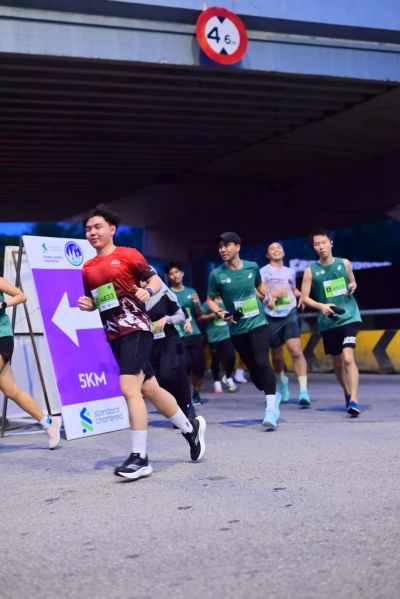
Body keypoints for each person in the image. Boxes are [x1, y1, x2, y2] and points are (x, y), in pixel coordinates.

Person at [78, 205, 206, 480]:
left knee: (128, 387)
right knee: (150, 388)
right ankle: (190, 428)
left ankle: (140, 458)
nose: (92, 232)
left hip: (136, 328)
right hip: (114, 334)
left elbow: (155, 280)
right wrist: (88, 305)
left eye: (98, 227)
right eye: (88, 229)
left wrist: (147, 290)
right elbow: (97, 301)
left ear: (112, 229)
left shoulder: (128, 255)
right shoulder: (87, 268)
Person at [206, 232, 279, 430]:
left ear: (237, 247)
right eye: (220, 246)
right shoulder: (217, 275)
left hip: (258, 322)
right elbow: (210, 300)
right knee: (255, 374)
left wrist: (269, 296)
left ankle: (270, 409)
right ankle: (273, 392)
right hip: (237, 327)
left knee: (263, 362)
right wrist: (220, 312)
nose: (222, 249)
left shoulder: (252, 267)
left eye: (227, 245)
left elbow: (259, 285)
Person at [301, 228, 361, 417]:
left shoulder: (345, 263)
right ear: (314, 247)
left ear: (331, 243)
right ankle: (347, 392)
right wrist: (321, 306)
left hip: (349, 316)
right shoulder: (310, 271)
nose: (321, 247)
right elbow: (304, 298)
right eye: (317, 244)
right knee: (337, 362)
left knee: (348, 358)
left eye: (324, 242)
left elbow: (352, 282)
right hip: (328, 322)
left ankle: (354, 400)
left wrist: (352, 286)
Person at [0, 277, 61, 448]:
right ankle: (48, 422)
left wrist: (3, 304)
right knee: (12, 391)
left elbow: (21, 296)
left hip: (2, 338)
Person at [260, 242, 311, 407]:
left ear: (283, 252)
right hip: (271, 315)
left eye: (279, 248)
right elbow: (258, 293)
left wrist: (302, 295)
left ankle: (303, 391)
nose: (276, 250)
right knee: (277, 355)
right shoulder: (263, 272)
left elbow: (292, 289)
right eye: (272, 249)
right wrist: (273, 294)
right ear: (267, 255)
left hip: (290, 312)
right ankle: (282, 382)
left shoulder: (290, 271)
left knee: (296, 351)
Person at [145, 281, 195, 419]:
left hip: (169, 339)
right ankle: (177, 410)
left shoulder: (164, 294)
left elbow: (181, 316)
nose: (142, 282)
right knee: (161, 380)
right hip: (151, 343)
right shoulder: (135, 301)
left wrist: (167, 319)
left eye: (146, 279)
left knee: (169, 373)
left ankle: (186, 406)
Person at [166, 264, 205, 404]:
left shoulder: (191, 291)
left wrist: (197, 304)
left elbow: (199, 314)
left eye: (176, 272)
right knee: (185, 366)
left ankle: (196, 393)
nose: (174, 275)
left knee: (199, 367)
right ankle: (185, 395)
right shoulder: (167, 293)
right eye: (171, 273)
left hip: (194, 332)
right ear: (168, 277)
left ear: (182, 273)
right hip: (178, 334)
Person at [199, 297, 237, 394]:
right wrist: (212, 315)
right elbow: (200, 317)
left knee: (231, 356)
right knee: (215, 358)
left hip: (227, 334)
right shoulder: (208, 303)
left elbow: (234, 311)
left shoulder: (226, 299)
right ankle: (216, 382)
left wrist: (228, 313)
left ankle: (227, 377)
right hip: (213, 336)